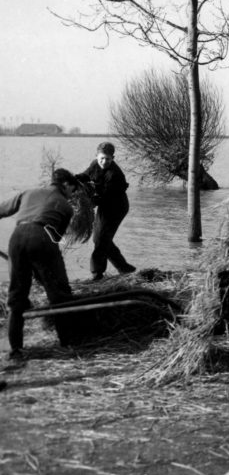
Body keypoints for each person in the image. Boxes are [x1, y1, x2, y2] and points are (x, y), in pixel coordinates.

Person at [0, 169, 82, 361]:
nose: (73, 195)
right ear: (67, 185)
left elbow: (1, 210)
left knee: (16, 298)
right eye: (73, 190)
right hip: (43, 236)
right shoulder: (65, 206)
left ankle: (16, 351)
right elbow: (55, 240)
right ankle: (67, 343)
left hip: (17, 237)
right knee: (59, 293)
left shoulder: (28, 192)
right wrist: (44, 274)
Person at [77, 142, 135, 281]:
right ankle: (125, 268)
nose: (104, 162)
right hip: (104, 205)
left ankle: (97, 274)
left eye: (108, 159)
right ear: (96, 156)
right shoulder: (94, 164)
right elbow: (86, 176)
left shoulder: (115, 175)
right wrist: (73, 180)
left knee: (100, 239)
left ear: (113, 158)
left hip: (117, 207)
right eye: (101, 158)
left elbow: (104, 198)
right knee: (101, 238)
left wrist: (87, 203)